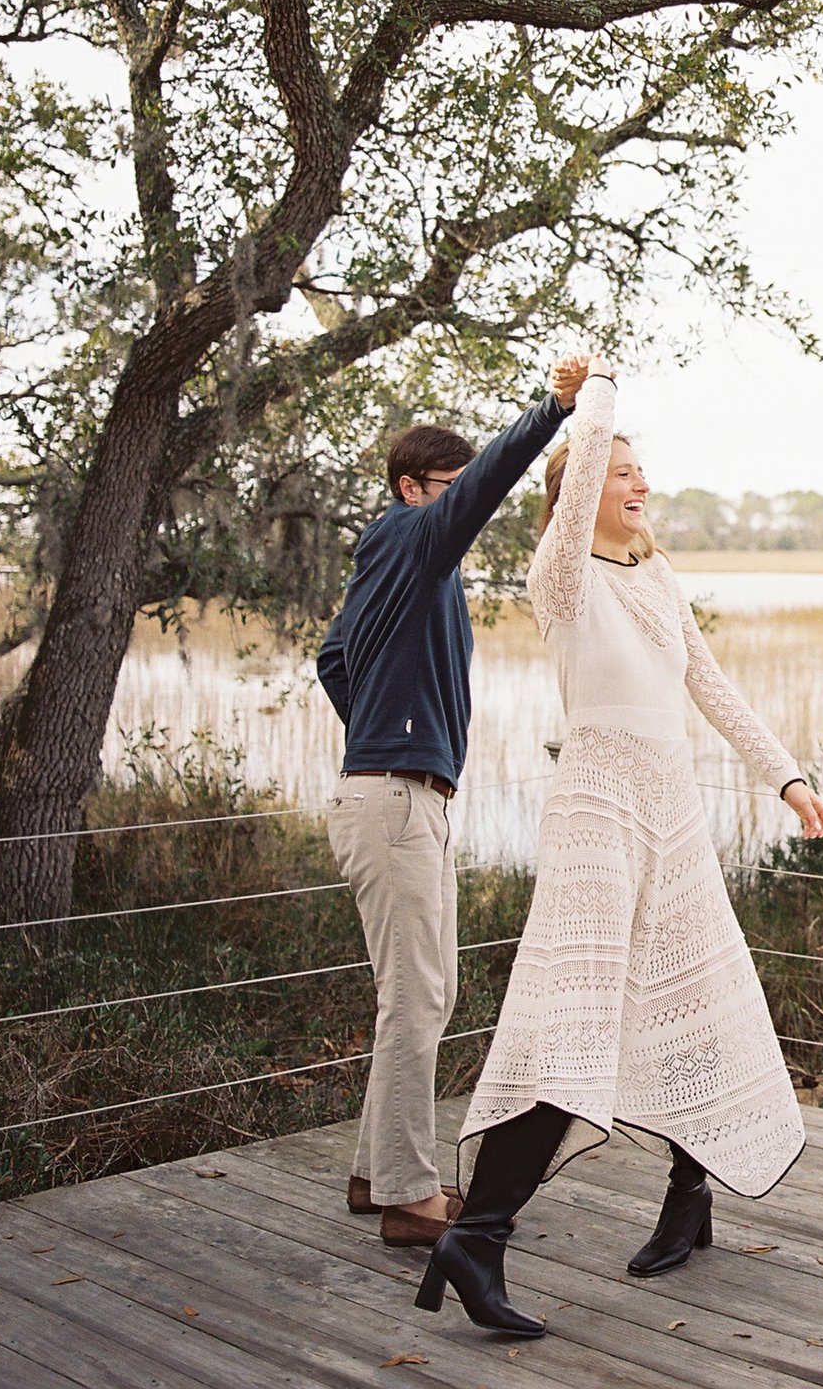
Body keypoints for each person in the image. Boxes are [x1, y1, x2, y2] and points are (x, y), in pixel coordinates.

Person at [415, 356, 823, 1337]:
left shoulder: (660, 578)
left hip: (673, 807)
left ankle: (690, 1198)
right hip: (598, 809)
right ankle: (477, 1236)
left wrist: (789, 776)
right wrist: (594, 391)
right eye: (620, 472)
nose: (640, 485)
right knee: (575, 1023)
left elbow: (712, 685)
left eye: (644, 473)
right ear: (575, 494)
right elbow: (582, 456)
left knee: (696, 998)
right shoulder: (558, 577)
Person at [316, 355, 588, 1246]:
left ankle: (373, 1175)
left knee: (421, 994)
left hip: (397, 793)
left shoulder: (398, 567)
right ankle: (407, 1196)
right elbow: (482, 491)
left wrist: (382, 725)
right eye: (452, 486)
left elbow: (330, 657)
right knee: (418, 998)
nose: (465, 502)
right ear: (411, 487)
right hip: (393, 800)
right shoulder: (406, 536)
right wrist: (551, 409)